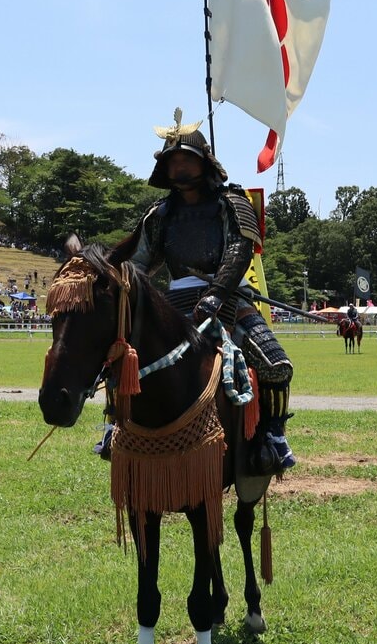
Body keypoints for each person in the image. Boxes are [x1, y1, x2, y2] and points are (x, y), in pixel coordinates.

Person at [112, 109, 296, 471]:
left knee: (276, 365)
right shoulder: (160, 215)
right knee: (124, 361)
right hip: (173, 300)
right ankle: (114, 427)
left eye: (186, 158)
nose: (179, 166)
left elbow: (238, 251)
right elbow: (140, 262)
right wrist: (122, 285)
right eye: (172, 160)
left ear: (204, 162)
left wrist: (216, 293)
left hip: (228, 298)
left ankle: (272, 434)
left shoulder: (232, 203)